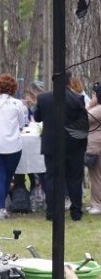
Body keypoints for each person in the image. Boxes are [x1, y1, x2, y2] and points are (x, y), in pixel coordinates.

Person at [36, 76, 89, 221]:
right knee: (74, 178)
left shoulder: (43, 98)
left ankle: (52, 212)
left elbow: (37, 118)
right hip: (73, 145)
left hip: (52, 144)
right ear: (70, 81)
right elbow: (84, 123)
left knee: (52, 177)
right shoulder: (77, 98)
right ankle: (76, 212)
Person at [0, 74, 24, 219]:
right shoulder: (18, 104)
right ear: (14, 88)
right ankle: (0, 206)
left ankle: (0, 207)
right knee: (7, 177)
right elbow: (21, 124)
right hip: (13, 145)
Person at [87, 82, 101, 215]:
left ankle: (97, 204)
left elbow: (83, 119)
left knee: (95, 175)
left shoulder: (98, 109)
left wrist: (90, 105)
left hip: (96, 145)